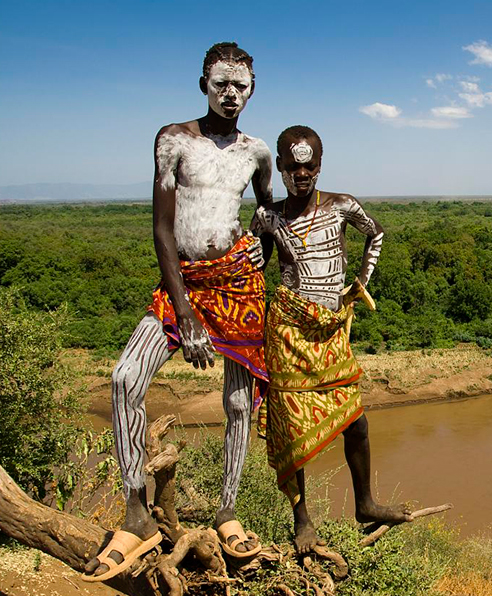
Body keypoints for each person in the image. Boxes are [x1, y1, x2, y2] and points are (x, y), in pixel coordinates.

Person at [83, 42, 272, 582]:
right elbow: (162, 229)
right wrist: (185, 315)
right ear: (203, 85)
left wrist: (263, 237)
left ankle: (228, 513)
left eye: (240, 85)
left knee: (239, 401)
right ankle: (135, 511)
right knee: (124, 378)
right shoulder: (174, 140)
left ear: (252, 89)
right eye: (221, 84)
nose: (230, 94)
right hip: (183, 283)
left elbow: (265, 206)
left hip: (237, 283)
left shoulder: (256, 152)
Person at [251, 125, 412, 555]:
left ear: (320, 165)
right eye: (292, 167)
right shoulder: (269, 216)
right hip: (287, 328)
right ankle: (302, 520)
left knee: (355, 420)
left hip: (331, 327)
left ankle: (365, 503)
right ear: (281, 168)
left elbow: (375, 233)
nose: (301, 174)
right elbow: (253, 264)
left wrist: (360, 282)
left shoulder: (341, 205)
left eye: (309, 166)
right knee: (290, 429)